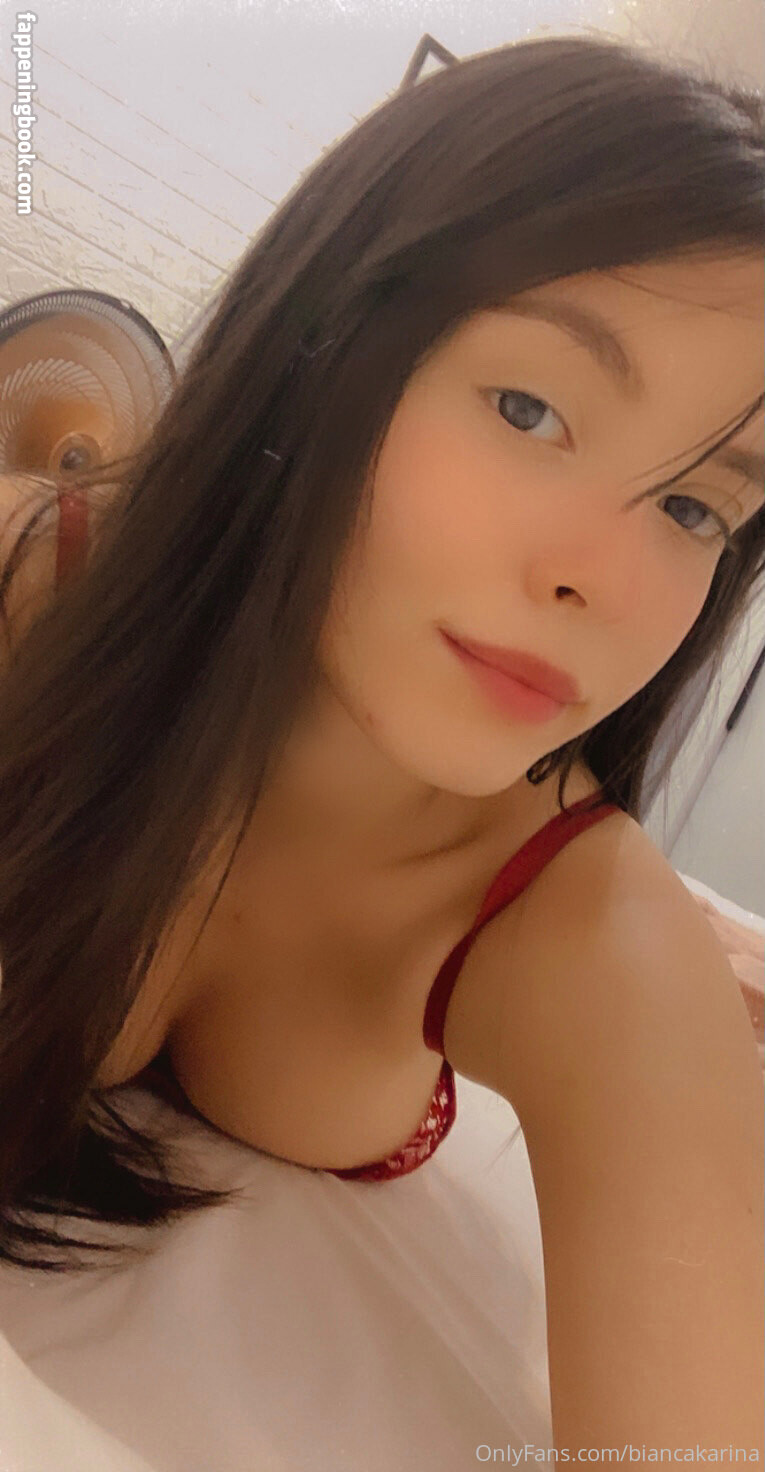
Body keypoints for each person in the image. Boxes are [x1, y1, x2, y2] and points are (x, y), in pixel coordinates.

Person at [0, 32, 763, 1451]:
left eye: (693, 508)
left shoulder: (590, 934)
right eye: (530, 409)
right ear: (326, 341)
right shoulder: (39, 587)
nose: (598, 580)